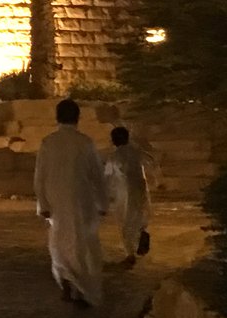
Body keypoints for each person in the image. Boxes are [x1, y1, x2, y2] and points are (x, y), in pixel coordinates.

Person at [34, 98, 110, 306]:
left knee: (59, 246)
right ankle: (83, 288)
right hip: (82, 203)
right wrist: (103, 204)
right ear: (78, 117)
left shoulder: (48, 142)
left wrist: (44, 205)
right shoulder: (85, 142)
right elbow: (97, 176)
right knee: (83, 247)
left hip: (57, 204)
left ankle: (67, 282)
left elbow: (40, 177)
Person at [102, 126, 155, 268]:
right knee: (139, 216)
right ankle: (141, 233)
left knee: (125, 224)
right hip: (140, 189)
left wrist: (105, 197)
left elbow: (107, 178)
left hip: (124, 194)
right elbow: (150, 164)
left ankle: (130, 254)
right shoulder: (136, 152)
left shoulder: (114, 157)